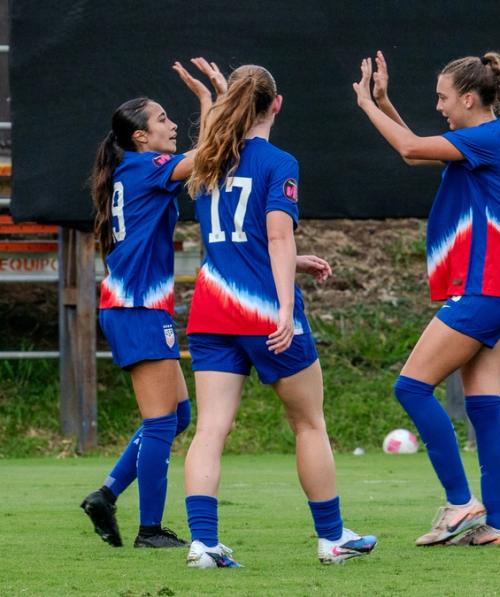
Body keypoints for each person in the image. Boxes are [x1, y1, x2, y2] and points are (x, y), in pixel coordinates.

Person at [181, 63, 376, 568]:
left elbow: (241, 238)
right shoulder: (278, 162)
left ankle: (203, 544)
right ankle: (331, 538)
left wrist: (294, 260)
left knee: (210, 430)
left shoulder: (208, 161)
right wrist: (286, 309)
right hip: (266, 313)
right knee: (309, 423)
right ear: (277, 104)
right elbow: (275, 235)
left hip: (212, 311)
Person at [352, 50, 500, 547]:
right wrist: (386, 102)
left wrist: (366, 104)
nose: (439, 106)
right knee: (485, 406)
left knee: (411, 388)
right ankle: (497, 525)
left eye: (443, 97)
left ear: (469, 99)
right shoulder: (491, 139)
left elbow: (410, 147)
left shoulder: (489, 138)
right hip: (499, 287)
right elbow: (416, 150)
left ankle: (460, 502)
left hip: (484, 286)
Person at [79, 58, 226, 549]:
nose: (171, 125)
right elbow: (207, 156)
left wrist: (208, 103)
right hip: (136, 309)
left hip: (135, 307)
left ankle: (106, 495)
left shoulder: (132, 169)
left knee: (177, 417)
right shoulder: (148, 167)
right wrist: (206, 100)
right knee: (161, 421)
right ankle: (150, 530)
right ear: (141, 136)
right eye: (163, 119)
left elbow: (201, 157)